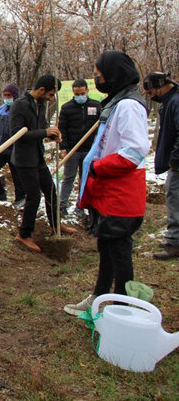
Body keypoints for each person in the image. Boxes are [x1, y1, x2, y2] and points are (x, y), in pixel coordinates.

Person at [64, 51, 150, 315]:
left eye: (99, 74)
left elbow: (135, 151)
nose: (96, 79)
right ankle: (99, 297)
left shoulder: (129, 106)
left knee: (119, 251)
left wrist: (98, 168)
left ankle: (123, 310)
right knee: (107, 246)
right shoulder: (117, 102)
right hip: (109, 191)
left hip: (121, 193)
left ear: (113, 74)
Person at [11, 75, 77, 253]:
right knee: (34, 197)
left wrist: (52, 134)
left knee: (50, 191)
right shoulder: (20, 105)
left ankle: (55, 225)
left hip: (38, 157)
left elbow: (42, 128)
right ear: (41, 90)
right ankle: (24, 234)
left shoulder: (40, 105)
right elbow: (17, 134)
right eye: (50, 95)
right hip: (24, 160)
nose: (51, 99)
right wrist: (44, 132)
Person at [144, 72, 179, 260]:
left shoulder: (176, 102)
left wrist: (175, 159)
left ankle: (175, 243)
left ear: (160, 86)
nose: (151, 96)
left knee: (174, 199)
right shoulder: (171, 102)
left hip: (178, 164)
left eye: (150, 91)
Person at [58, 79, 101, 216]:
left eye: (82, 93)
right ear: (73, 93)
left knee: (85, 179)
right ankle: (62, 206)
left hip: (90, 150)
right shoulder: (66, 108)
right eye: (77, 94)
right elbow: (62, 129)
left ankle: (80, 206)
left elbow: (101, 129)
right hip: (72, 149)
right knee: (68, 178)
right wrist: (63, 147)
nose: (80, 96)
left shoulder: (96, 106)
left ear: (87, 91)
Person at [0, 84, 26, 208]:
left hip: (15, 149)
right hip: (2, 148)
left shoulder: (20, 109)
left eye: (10, 95)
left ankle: (20, 198)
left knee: (16, 175)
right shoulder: (1, 109)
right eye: (5, 95)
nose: (7, 98)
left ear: (15, 96)